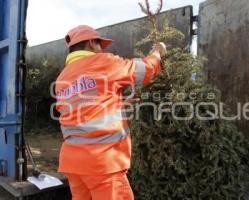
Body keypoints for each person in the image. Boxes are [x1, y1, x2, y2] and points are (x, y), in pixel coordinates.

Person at [55, 25, 167, 200]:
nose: (102, 50)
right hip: (102, 163)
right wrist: (157, 52)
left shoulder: (62, 78)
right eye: (100, 45)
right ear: (92, 42)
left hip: (73, 163)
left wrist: (119, 104)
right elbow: (146, 70)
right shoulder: (103, 62)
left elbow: (81, 112)